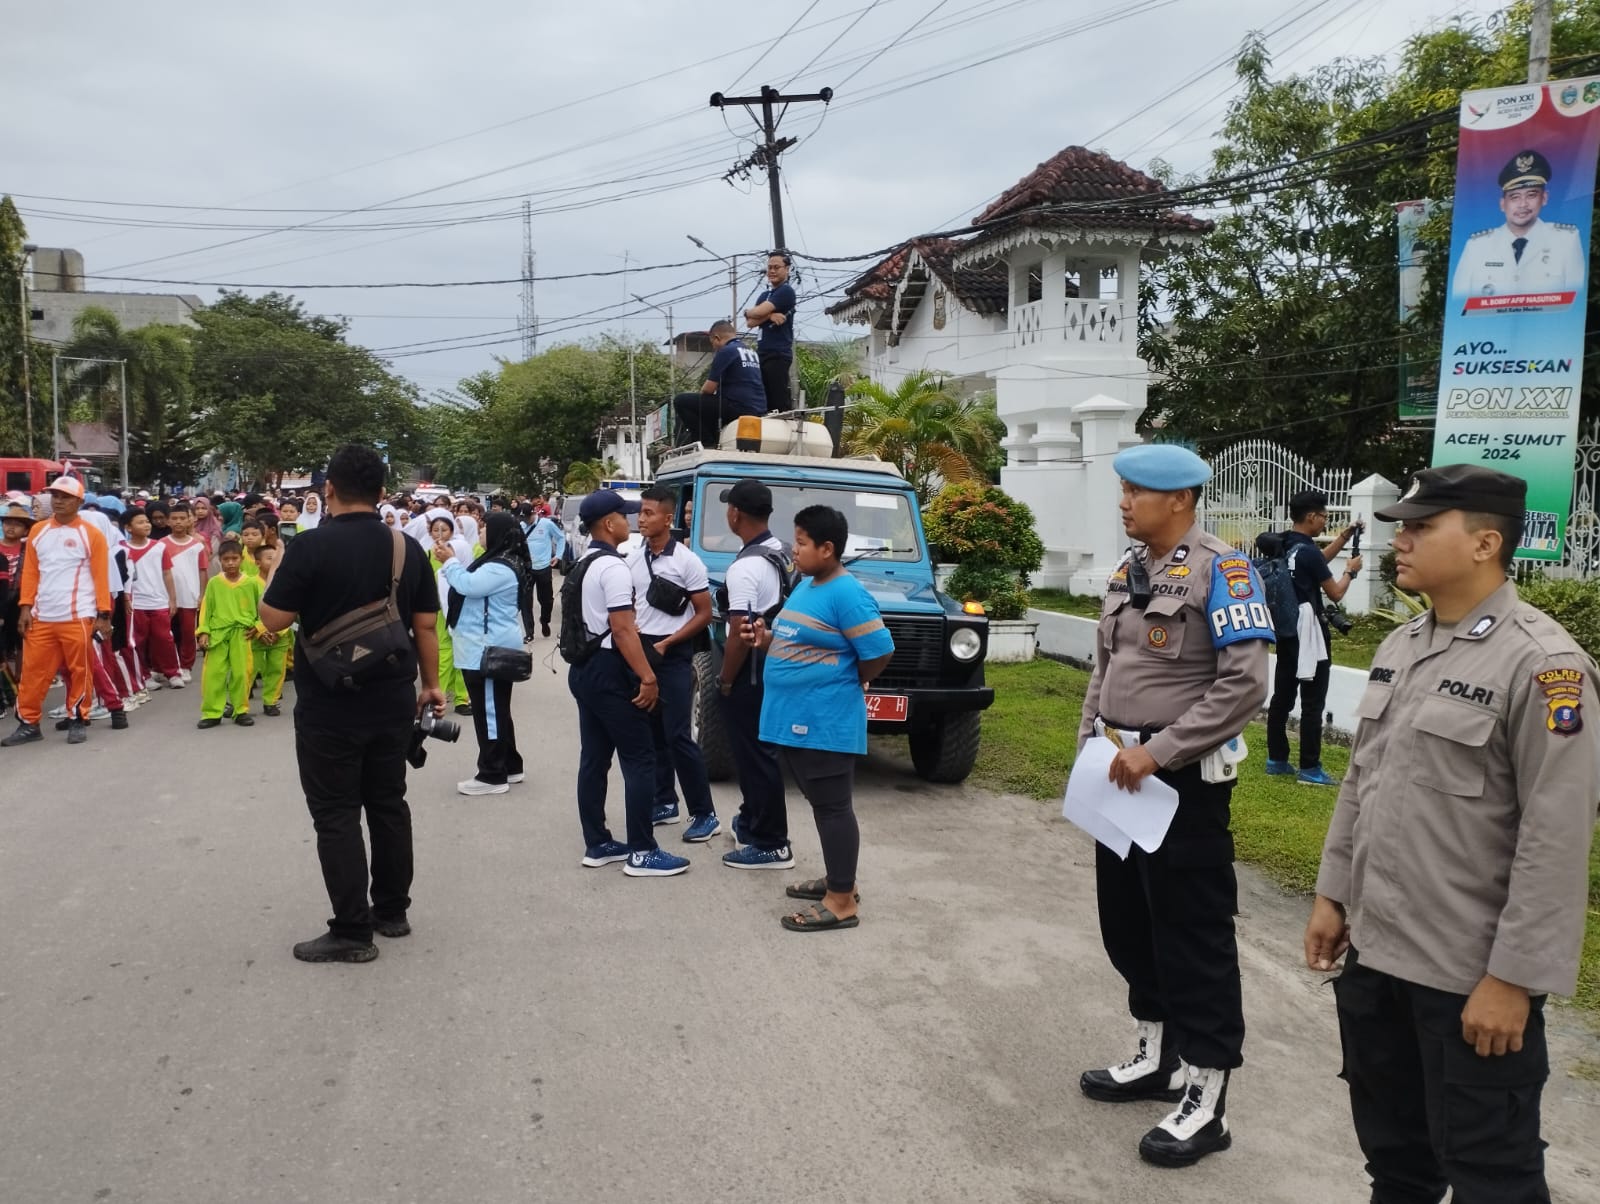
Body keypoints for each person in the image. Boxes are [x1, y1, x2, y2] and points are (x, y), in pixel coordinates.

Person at [1304, 464, 1599, 1203]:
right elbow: (1361, 784)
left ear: (1485, 543)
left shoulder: (1544, 665)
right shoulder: (1401, 647)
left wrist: (1513, 979)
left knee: (1492, 1180)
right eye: (1401, 525)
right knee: (1397, 1166)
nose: (1398, 541)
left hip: (1468, 981)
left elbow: (1556, 837)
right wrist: (1332, 894)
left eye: (1420, 527)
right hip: (1377, 960)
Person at [1075, 444, 1272, 1168]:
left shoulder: (1224, 570)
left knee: (1194, 936)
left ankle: (1207, 1095)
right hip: (1118, 769)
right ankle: (1157, 1058)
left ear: (1181, 500)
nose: (1124, 503)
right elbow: (1108, 666)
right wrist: (1090, 745)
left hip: (1177, 781)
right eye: (1123, 491)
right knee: (1128, 925)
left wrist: (1158, 752)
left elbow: (1245, 685)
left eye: (1136, 493)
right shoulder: (1130, 571)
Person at [258, 444, 444, 965]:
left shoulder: (310, 548)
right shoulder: (406, 547)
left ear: (329, 490)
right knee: (388, 804)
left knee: (336, 813)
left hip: (328, 705)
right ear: (383, 494)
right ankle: (391, 912)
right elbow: (425, 625)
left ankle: (351, 931)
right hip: (392, 700)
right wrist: (430, 686)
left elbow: (271, 620)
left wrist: (277, 563)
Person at [743, 504, 894, 930]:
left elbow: (879, 651)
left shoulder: (847, 593)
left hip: (823, 718)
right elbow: (803, 639)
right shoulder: (809, 584)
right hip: (797, 716)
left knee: (832, 808)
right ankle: (837, 878)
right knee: (822, 804)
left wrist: (851, 680)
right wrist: (767, 639)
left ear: (827, 549)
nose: (795, 549)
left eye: (803, 542)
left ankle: (842, 899)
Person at [567, 489, 687, 877]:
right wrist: (648, 677)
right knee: (640, 758)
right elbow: (622, 629)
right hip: (608, 668)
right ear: (608, 524)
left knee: (594, 757)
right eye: (624, 515)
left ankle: (598, 842)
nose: (631, 521)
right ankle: (642, 850)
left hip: (584, 669)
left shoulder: (584, 560)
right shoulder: (614, 568)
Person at [630, 486, 718, 840]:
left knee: (679, 735)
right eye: (640, 512)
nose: (641, 519)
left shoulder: (687, 561)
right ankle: (665, 800)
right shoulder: (635, 559)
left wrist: (669, 642)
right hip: (642, 652)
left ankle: (705, 813)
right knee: (652, 734)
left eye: (649, 513)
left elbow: (705, 613)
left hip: (674, 655)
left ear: (668, 518)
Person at [716, 479, 795, 871]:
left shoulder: (745, 568)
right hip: (776, 662)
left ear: (736, 514)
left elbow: (738, 635)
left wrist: (725, 681)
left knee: (755, 754)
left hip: (750, 671)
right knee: (758, 752)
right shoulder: (782, 551)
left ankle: (771, 843)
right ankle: (751, 822)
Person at [1, 477, 112, 747]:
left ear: (79, 502)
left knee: (78, 671)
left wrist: (103, 614)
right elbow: (30, 573)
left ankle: (78, 718)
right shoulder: (38, 531)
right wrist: (25, 607)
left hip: (77, 616)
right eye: (55, 496)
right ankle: (28, 723)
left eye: (65, 496)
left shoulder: (91, 534)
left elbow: (100, 576)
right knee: (33, 673)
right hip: (41, 616)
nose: (58, 501)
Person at [1262, 491, 1362, 785]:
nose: (1325, 521)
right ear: (1311, 517)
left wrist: (1343, 538)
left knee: (1282, 697)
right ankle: (1310, 767)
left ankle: (1277, 759)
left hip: (1288, 631)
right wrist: (1349, 571)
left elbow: (1316, 561)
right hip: (1311, 633)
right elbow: (1336, 592)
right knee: (1313, 701)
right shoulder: (1306, 551)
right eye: (1324, 517)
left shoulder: (1287, 544)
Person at [437, 511, 531, 796]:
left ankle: (492, 774)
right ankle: (510, 766)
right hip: (487, 645)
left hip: (486, 648)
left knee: (489, 711)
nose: (479, 532)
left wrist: (449, 561)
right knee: (498, 709)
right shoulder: (503, 561)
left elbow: (467, 585)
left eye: (484, 528)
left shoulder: (500, 567)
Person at [1454, 149, 1587, 302]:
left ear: (1544, 198)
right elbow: (1459, 304)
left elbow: (1576, 302)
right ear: (1503, 204)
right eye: (1515, 197)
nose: (1523, 204)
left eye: (1531, 195)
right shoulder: (1477, 246)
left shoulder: (1566, 241)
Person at [197, 540, 263, 729]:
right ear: (220, 560)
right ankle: (212, 712)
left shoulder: (251, 583)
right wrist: (203, 631)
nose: (231, 563)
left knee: (242, 673)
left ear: (241, 559)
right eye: (226, 559)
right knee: (213, 674)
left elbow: (262, 607)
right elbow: (206, 609)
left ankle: (240, 710)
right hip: (218, 634)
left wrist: (259, 626)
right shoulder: (214, 583)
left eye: (235, 559)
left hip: (242, 634)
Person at [673, 320, 768, 448]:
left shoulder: (726, 351)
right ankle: (713, 440)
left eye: (712, 343)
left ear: (716, 338)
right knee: (711, 407)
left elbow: (708, 389)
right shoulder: (750, 351)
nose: (713, 347)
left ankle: (706, 442)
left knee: (681, 401)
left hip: (737, 407)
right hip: (758, 409)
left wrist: (701, 399)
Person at [125, 510, 187, 691]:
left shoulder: (158, 547)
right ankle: (144, 675)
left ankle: (173, 673)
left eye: (146, 521)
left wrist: (172, 600)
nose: (146, 525)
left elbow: (167, 574)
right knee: (139, 642)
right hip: (136, 604)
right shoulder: (122, 549)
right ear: (128, 528)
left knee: (165, 638)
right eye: (140, 522)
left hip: (158, 601)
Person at [426, 515, 473, 715]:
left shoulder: (463, 551)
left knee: (463, 651)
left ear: (452, 532)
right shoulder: (427, 554)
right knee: (444, 653)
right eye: (435, 530)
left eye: (443, 529)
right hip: (438, 610)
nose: (439, 534)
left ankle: (463, 698)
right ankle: (440, 696)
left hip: (461, 608)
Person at [744, 250, 797, 411]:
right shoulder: (764, 295)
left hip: (778, 354)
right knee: (763, 399)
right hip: (762, 353)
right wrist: (770, 315)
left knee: (778, 399)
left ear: (787, 269)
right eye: (769, 267)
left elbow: (757, 313)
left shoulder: (786, 291)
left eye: (776, 267)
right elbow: (750, 322)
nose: (772, 271)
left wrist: (760, 313)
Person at [163, 502, 209, 682]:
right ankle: (168, 666)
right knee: (167, 634)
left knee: (188, 633)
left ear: (189, 520)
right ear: (168, 521)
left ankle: (185, 665)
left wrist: (201, 595)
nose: (178, 522)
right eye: (174, 519)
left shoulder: (197, 545)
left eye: (182, 518)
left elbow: (203, 571)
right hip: (167, 597)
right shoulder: (161, 544)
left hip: (189, 596)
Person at [250, 542, 290, 717]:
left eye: (277, 558)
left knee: (276, 669)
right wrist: (260, 629)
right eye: (269, 559)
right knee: (249, 670)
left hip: (279, 635)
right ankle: (239, 704)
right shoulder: (249, 583)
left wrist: (277, 631)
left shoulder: (286, 582)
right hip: (254, 635)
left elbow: (290, 609)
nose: (274, 562)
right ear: (257, 562)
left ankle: (271, 701)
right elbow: (247, 610)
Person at [520, 501, 565, 639]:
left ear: (533, 513)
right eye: (523, 518)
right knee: (526, 601)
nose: (525, 521)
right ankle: (529, 632)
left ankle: (545, 621)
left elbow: (561, 537)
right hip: (527, 569)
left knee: (546, 600)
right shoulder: (521, 526)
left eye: (527, 517)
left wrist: (558, 556)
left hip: (544, 567)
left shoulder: (546, 524)